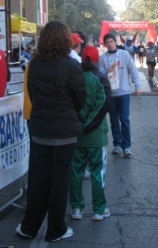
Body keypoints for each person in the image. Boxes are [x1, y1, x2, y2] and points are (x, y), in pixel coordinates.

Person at [16, 20, 87, 242]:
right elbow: (80, 98)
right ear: (66, 39)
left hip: (39, 130)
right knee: (59, 182)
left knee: (39, 179)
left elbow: (32, 93)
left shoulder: (34, 64)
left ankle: (29, 227)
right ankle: (55, 229)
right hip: (64, 132)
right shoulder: (71, 65)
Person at [69, 45, 111, 221]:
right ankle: (98, 210)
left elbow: (69, 103)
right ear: (97, 60)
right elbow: (102, 104)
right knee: (97, 172)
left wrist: (79, 124)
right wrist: (88, 124)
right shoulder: (100, 78)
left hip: (76, 134)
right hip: (96, 135)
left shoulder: (73, 77)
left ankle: (76, 208)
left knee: (76, 172)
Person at [99, 33, 141, 157]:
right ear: (104, 44)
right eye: (107, 42)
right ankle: (117, 144)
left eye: (111, 41)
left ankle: (126, 146)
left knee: (125, 119)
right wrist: (106, 72)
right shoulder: (103, 58)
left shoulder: (124, 54)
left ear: (115, 42)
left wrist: (137, 86)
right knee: (113, 120)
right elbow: (100, 75)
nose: (109, 44)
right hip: (111, 94)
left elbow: (133, 70)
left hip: (124, 92)